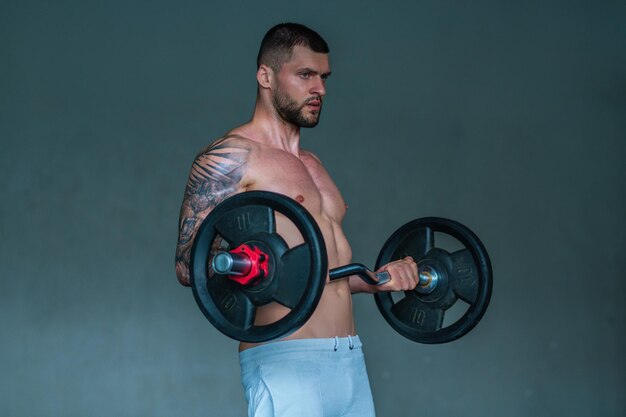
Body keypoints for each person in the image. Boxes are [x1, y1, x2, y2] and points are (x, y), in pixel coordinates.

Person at [175, 23, 420, 417]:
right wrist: (251, 267)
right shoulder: (230, 158)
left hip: (350, 360)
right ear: (265, 76)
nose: (319, 89)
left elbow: (326, 270)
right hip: (285, 360)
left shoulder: (314, 165)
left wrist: (377, 279)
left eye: (323, 77)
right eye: (305, 75)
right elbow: (189, 265)